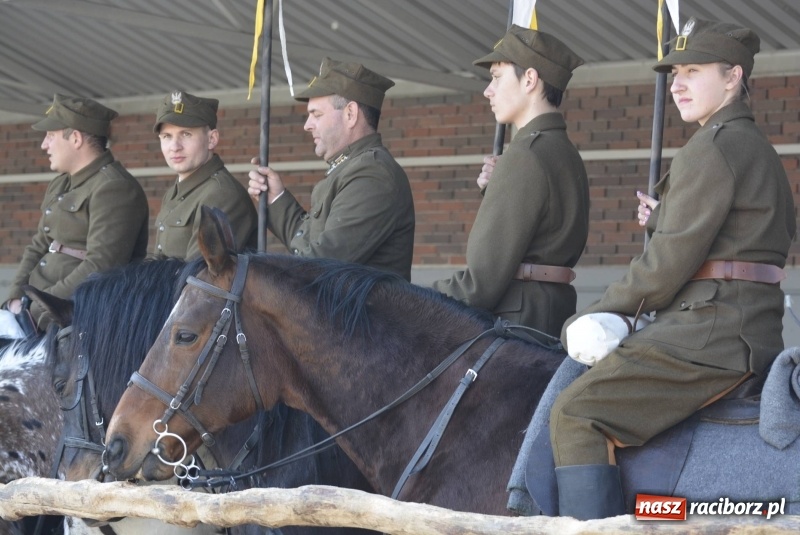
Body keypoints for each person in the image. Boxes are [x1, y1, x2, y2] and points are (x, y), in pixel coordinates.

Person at [550, 18, 796, 520]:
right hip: (746, 328)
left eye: (693, 70)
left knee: (576, 414)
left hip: (710, 335)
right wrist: (666, 217)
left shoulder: (712, 146)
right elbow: (735, 239)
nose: (677, 83)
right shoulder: (752, 146)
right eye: (675, 71)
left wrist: (593, 315)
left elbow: (663, 270)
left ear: (733, 78)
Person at [431, 25, 589, 338]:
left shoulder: (525, 154)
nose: (488, 90)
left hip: (515, 325)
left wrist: (419, 297)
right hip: (548, 313)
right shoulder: (562, 150)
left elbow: (480, 284)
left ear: (529, 79)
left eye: (496, 77)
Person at [248, 57, 415, 281]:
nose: (307, 125)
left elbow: (321, 264)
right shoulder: (352, 168)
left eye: (316, 114)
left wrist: (255, 275)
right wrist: (276, 198)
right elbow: (312, 247)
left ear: (350, 114)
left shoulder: (372, 174)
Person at [4, 94, 149, 331]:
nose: (44, 145)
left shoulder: (115, 187)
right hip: (35, 309)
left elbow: (101, 266)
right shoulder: (61, 183)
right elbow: (39, 245)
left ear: (76, 139)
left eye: (50, 136)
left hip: (74, 318)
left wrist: (35, 310)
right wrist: (13, 298)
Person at [151, 90, 257, 260]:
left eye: (186, 134)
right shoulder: (175, 193)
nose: (175, 146)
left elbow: (196, 277)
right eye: (167, 136)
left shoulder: (222, 194)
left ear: (212, 139)